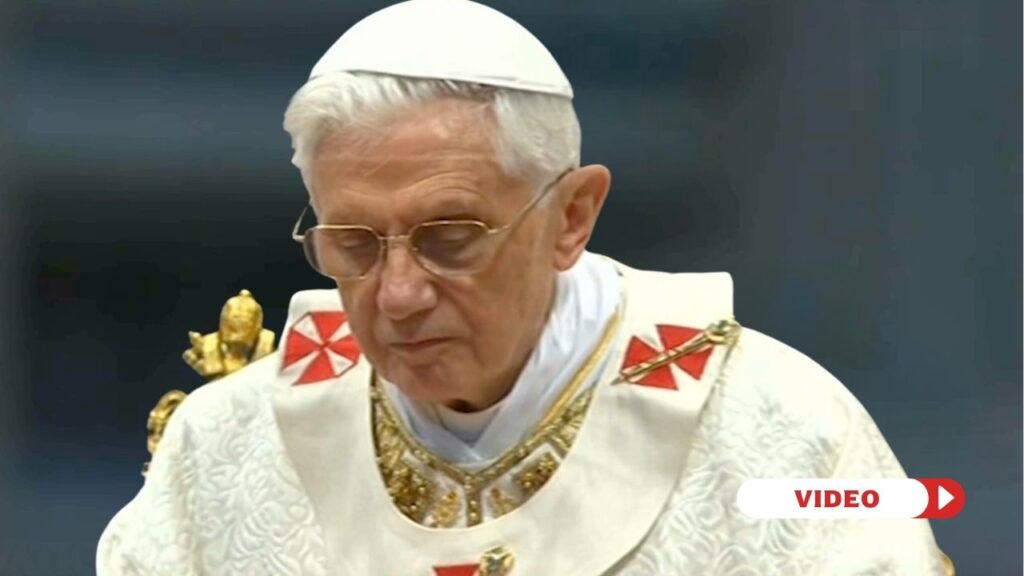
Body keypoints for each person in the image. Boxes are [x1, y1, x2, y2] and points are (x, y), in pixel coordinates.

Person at [97, 1, 950, 574]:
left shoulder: (783, 433)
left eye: (450, 239)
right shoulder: (229, 447)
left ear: (572, 215)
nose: (396, 296)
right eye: (353, 244)